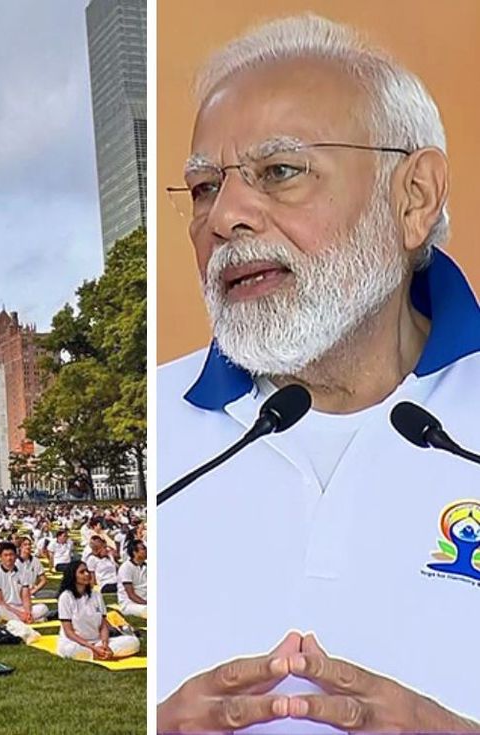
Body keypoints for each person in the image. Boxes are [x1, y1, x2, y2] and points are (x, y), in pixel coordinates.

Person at [157, 14, 480, 731]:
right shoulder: (159, 422)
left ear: (414, 196)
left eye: (280, 171)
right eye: (204, 187)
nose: (225, 217)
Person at [56, 561, 139, 661]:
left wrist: (105, 644)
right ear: (72, 576)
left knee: (133, 641)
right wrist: (92, 648)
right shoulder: (66, 597)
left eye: (87, 571)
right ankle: (98, 653)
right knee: (69, 650)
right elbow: (68, 632)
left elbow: (103, 625)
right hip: (75, 642)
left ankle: (102, 652)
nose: (87, 574)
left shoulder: (96, 595)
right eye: (82, 572)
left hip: (98, 641)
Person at [0, 542, 48, 623]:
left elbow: (26, 597)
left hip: (20, 607)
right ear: (0, 557)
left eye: (11, 555)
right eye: (5, 555)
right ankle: (27, 619)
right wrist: (20, 614)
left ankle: (22, 619)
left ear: (16, 555)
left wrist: (28, 613)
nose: (9, 558)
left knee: (43, 608)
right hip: (5, 608)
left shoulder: (22, 573)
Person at [116, 540, 146, 619]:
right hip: (130, 604)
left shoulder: (146, 566)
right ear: (134, 552)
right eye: (143, 548)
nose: (146, 550)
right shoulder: (126, 567)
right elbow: (131, 595)